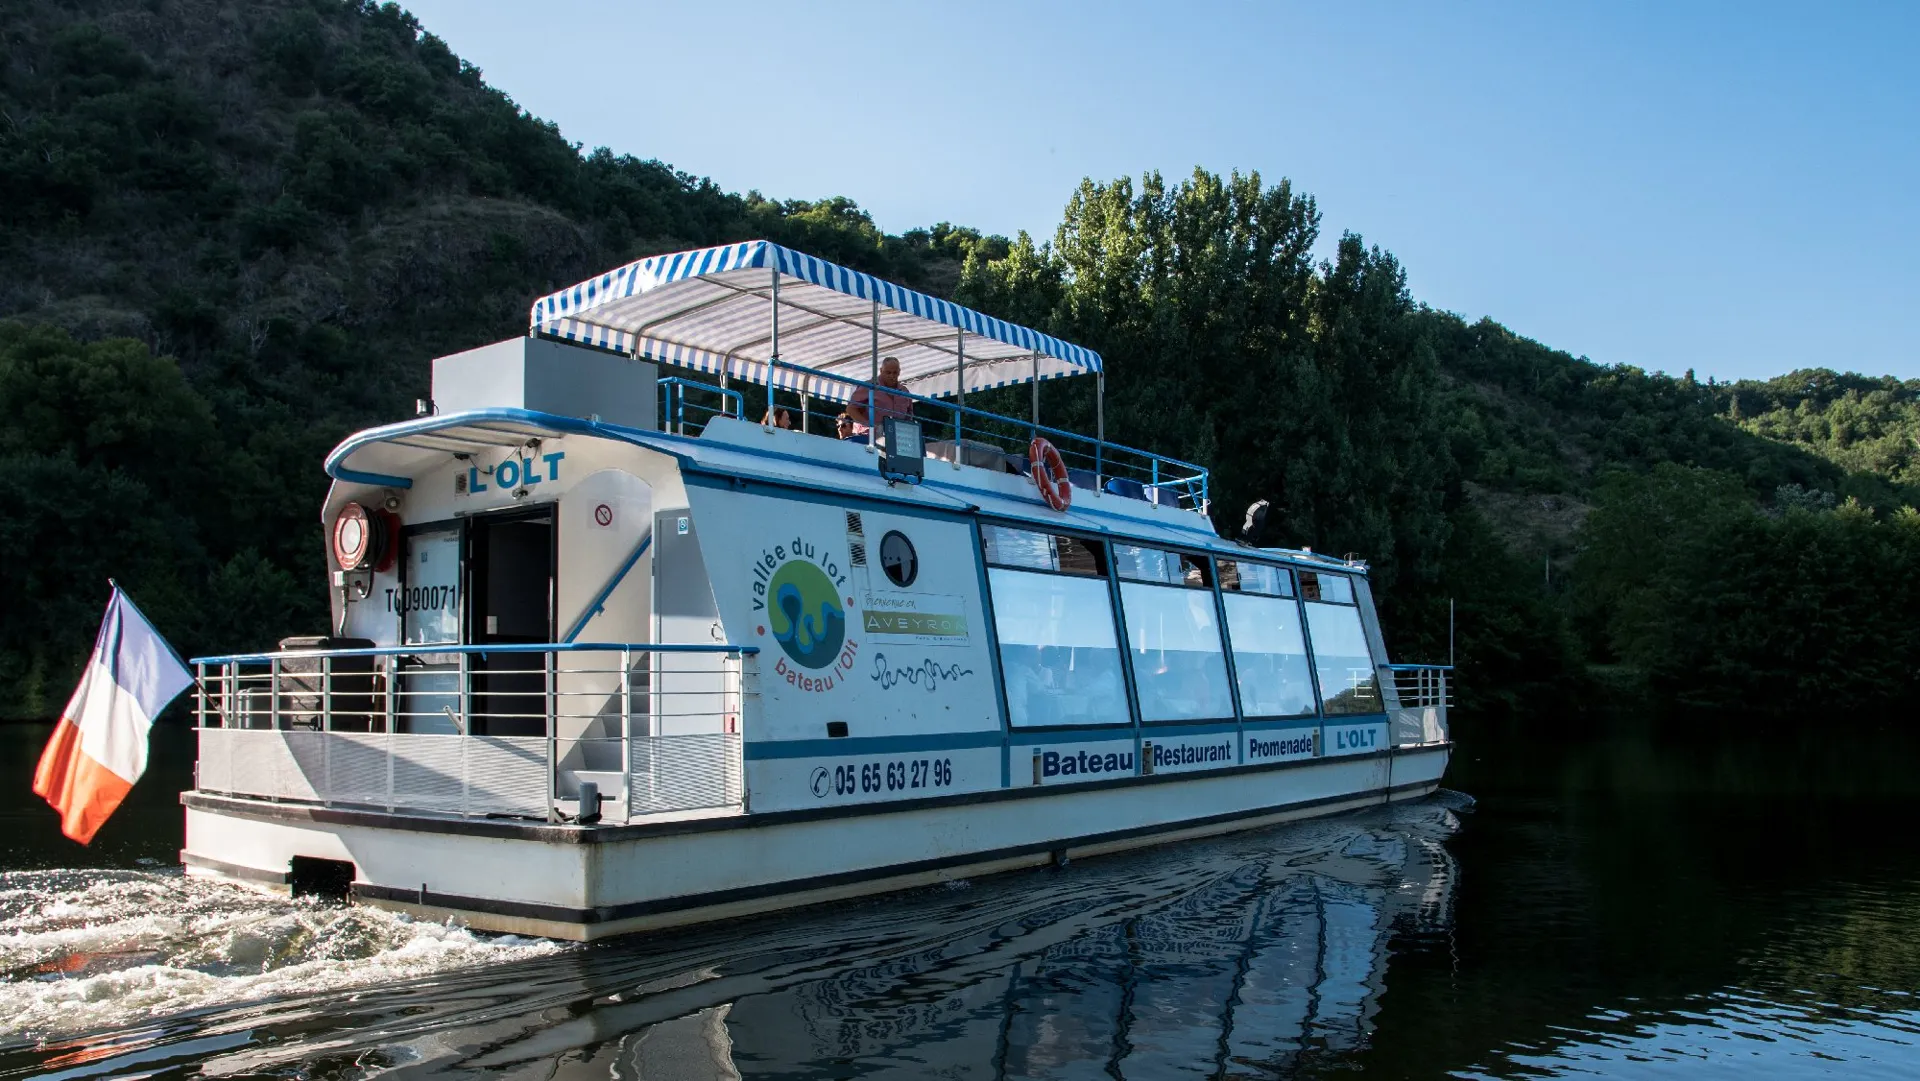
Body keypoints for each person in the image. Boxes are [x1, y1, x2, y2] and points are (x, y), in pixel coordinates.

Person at [847, 355, 912, 438]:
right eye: (888, 372)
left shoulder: (905, 392)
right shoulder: (869, 386)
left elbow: (909, 417)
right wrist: (869, 425)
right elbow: (851, 409)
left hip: (896, 439)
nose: (892, 375)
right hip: (868, 437)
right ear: (881, 371)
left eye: (895, 372)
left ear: (899, 372)